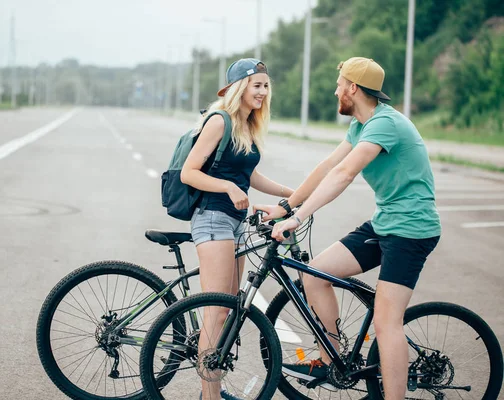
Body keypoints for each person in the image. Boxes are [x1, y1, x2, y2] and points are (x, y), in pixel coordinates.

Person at [255, 57, 441, 400]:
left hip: (412, 230)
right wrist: (286, 206)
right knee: (314, 273)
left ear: (353, 88)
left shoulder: (384, 124)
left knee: (387, 324)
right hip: (387, 223)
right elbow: (328, 166)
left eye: (340, 83)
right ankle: (329, 360)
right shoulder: (360, 126)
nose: (336, 89)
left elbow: (344, 174)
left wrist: (297, 219)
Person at [180, 58, 294, 400]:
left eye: (265, 85)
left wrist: (293, 194)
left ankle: (211, 385)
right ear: (238, 89)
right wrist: (228, 189)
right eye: (256, 85)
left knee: (229, 307)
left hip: (235, 222)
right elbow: (190, 172)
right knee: (214, 312)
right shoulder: (220, 120)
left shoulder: (246, 125)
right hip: (213, 218)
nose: (262, 91)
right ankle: (210, 396)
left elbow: (249, 176)